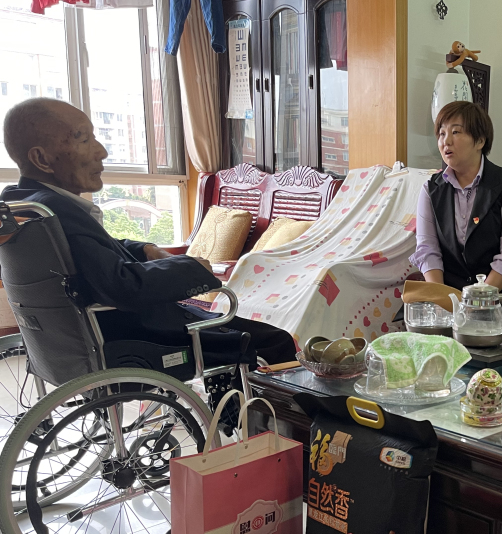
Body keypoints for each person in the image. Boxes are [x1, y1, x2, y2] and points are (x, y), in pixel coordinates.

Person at [1, 98, 297, 371]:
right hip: (141, 337)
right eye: (83, 139)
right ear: (41, 159)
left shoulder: (25, 203)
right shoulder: (58, 211)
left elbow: (84, 252)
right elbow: (123, 287)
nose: (101, 151)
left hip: (81, 340)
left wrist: (144, 250)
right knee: (276, 341)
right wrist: (191, 268)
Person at [411, 101, 502, 340]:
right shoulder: (430, 189)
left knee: (475, 339)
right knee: (419, 333)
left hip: (499, 297)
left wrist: (475, 304)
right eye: (441, 133)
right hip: (450, 294)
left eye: (456, 132)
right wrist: (440, 300)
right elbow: (427, 251)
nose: (446, 141)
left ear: (480, 141)